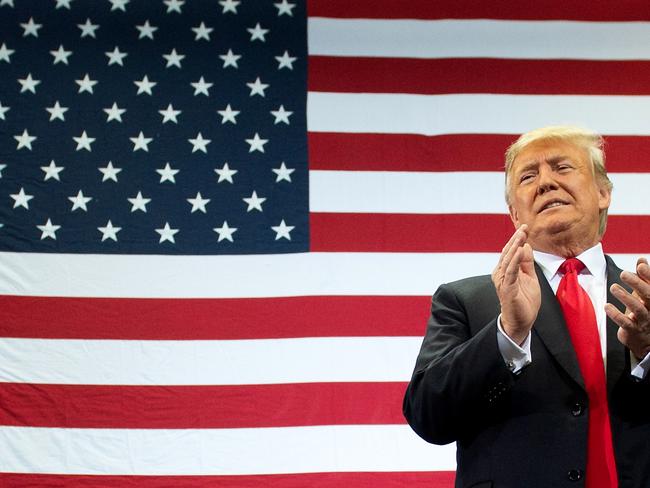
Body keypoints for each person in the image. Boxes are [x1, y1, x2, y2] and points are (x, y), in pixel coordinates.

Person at [403, 126, 650, 488]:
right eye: (528, 176)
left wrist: (646, 352)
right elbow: (428, 418)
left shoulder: (643, 302)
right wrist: (508, 334)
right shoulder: (466, 301)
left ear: (603, 192)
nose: (546, 183)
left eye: (563, 167)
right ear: (514, 213)